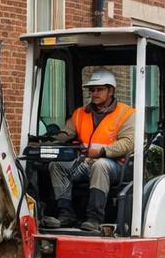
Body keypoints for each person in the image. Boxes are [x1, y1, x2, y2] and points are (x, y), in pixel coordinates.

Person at [41, 67, 136, 233]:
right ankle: (66, 214)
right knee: (57, 165)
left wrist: (101, 152)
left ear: (111, 90)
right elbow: (66, 134)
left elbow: (128, 143)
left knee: (101, 166)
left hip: (116, 166)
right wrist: (47, 142)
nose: (95, 93)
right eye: (92, 90)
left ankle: (94, 218)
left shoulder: (126, 113)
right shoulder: (80, 113)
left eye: (100, 89)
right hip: (86, 163)